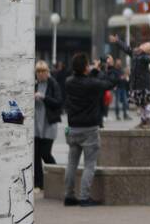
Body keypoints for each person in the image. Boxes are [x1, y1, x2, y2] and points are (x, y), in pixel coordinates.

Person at [63, 52, 108, 206]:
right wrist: (103, 70)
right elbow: (107, 84)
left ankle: (69, 196)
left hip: (73, 128)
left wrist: (93, 70)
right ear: (84, 67)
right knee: (89, 164)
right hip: (89, 129)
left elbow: (86, 81)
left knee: (71, 163)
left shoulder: (68, 82)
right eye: (88, 64)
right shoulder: (90, 84)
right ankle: (84, 197)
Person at [33, 59, 63, 192]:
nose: (40, 74)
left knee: (46, 153)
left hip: (49, 124)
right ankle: (39, 184)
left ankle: (58, 178)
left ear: (47, 72)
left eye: (42, 71)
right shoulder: (33, 84)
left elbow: (58, 102)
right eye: (38, 72)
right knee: (36, 155)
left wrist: (44, 97)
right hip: (35, 125)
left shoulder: (53, 84)